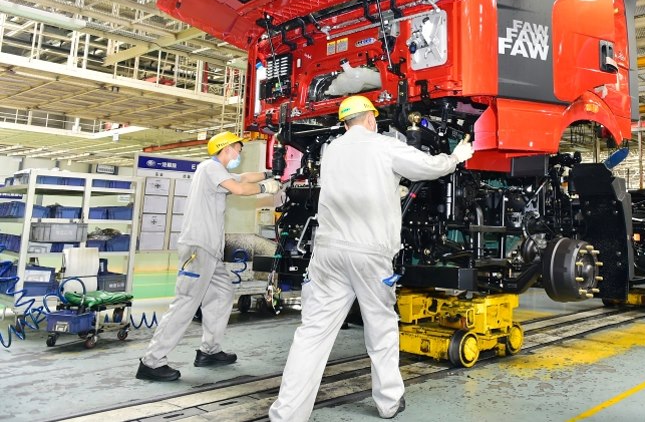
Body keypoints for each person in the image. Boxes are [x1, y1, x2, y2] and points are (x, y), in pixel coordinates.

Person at [269, 95, 474, 421]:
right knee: (380, 329)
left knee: (312, 334)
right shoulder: (383, 146)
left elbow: (356, 183)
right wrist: (455, 157)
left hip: (328, 253)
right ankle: (388, 402)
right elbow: (428, 167)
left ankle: (286, 414)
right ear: (370, 119)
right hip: (369, 254)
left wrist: (391, 188)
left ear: (345, 123)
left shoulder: (331, 150)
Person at [136, 131, 282, 382]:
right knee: (186, 302)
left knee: (223, 293)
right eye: (238, 150)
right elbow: (240, 188)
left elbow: (244, 177)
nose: (239, 155)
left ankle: (209, 351)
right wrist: (264, 188)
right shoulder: (209, 167)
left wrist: (272, 174)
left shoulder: (218, 173)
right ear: (227, 148)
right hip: (198, 248)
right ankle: (151, 362)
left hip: (210, 252)